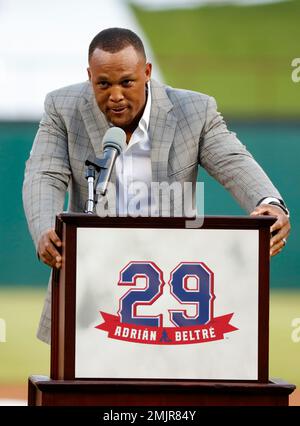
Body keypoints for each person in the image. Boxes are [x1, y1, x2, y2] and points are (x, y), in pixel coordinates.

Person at [23, 27, 290, 344]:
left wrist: (270, 202)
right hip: (90, 283)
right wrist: (44, 228)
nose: (116, 95)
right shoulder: (62, 107)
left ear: (146, 72)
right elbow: (44, 173)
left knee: (167, 391)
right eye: (103, 84)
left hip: (171, 287)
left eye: (127, 82)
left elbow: (233, 160)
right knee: (83, 392)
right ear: (89, 76)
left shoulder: (195, 111)